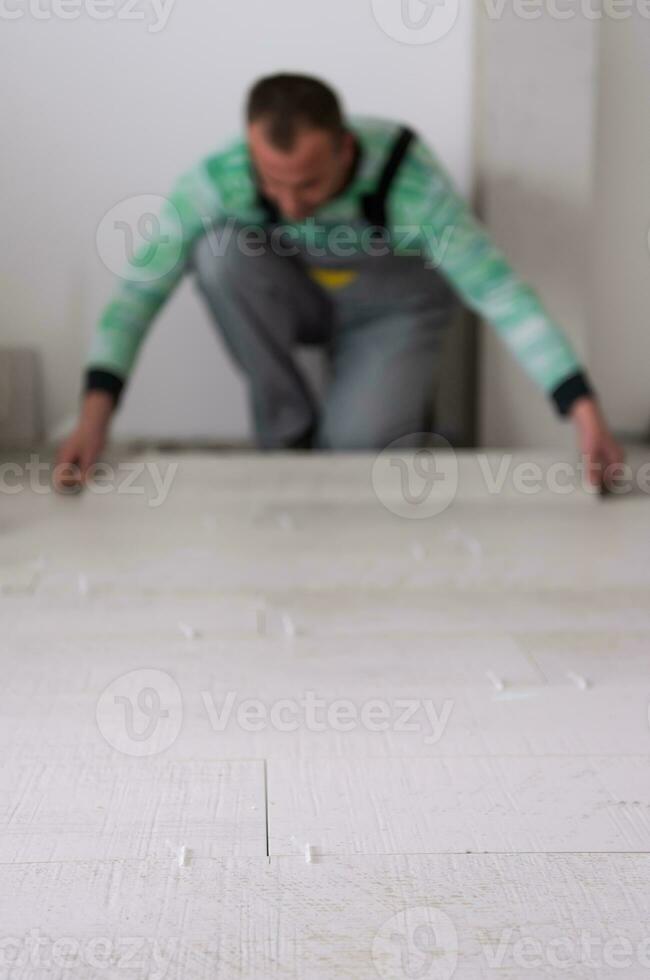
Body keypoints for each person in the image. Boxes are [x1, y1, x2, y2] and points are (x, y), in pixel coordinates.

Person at [56, 73, 622, 485]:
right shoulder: (219, 177)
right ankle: (288, 437)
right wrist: (92, 420)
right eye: (272, 184)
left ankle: (369, 422)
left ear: (345, 148)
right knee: (219, 253)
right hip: (302, 296)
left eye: (308, 183)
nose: (290, 204)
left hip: (394, 310)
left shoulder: (409, 181)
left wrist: (584, 412)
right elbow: (139, 293)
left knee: (356, 461)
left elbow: (499, 293)